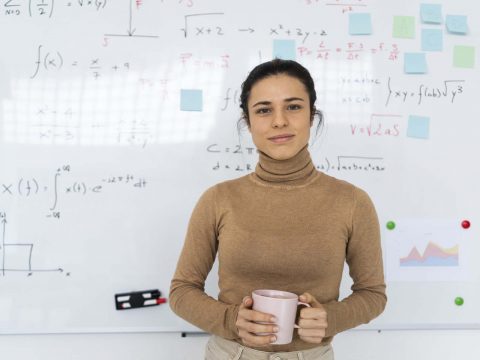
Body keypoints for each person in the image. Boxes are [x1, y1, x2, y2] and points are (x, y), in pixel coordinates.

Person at [169, 59, 386, 360]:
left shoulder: (352, 202)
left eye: (294, 106)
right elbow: (182, 291)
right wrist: (231, 320)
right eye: (264, 110)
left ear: (312, 115)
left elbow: (373, 295)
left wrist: (331, 319)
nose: (279, 121)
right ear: (247, 121)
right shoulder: (218, 199)